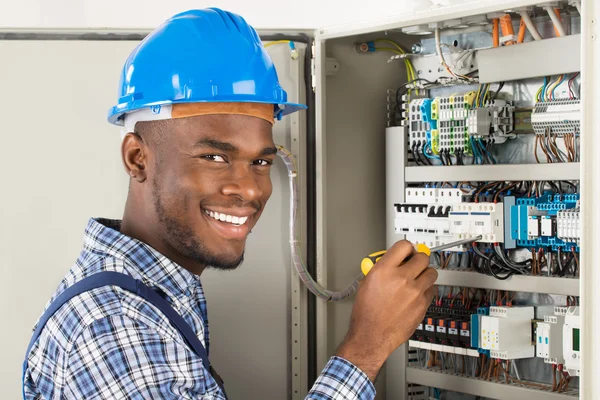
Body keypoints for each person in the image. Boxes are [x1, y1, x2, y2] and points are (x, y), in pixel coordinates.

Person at [22, 8, 436, 399]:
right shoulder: (115, 326)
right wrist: (367, 345)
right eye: (214, 157)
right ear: (137, 158)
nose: (251, 189)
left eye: (260, 162)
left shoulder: (154, 294)